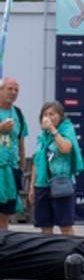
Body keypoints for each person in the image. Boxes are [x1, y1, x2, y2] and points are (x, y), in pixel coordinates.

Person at [29, 101, 83, 235]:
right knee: (45, 226)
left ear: (60, 116)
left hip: (61, 183)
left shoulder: (66, 129)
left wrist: (53, 130)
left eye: (52, 114)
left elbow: (65, 149)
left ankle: (71, 253)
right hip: (42, 185)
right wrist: (32, 186)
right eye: (45, 114)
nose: (47, 117)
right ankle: (49, 254)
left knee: (65, 226)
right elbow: (37, 162)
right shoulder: (42, 136)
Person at [0, 77, 23, 230]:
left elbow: (21, 143)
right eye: (9, 89)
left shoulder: (18, 114)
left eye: (16, 90)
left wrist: (20, 168)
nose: (13, 93)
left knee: (4, 216)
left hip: (11, 170)